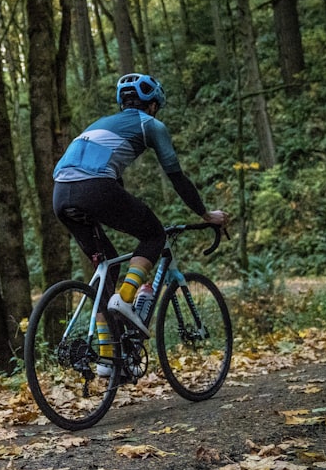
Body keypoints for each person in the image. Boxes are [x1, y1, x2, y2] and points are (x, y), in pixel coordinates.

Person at [52, 73, 226, 362]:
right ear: (154, 105)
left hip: (60, 195)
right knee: (153, 235)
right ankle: (127, 296)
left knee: (107, 268)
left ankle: (109, 360)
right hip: (94, 187)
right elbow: (176, 177)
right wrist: (206, 214)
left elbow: (113, 188)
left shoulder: (98, 126)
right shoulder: (151, 125)